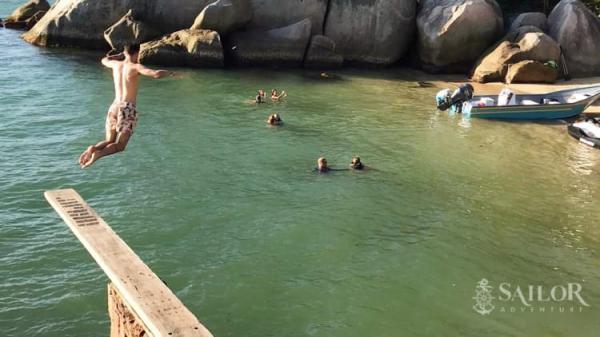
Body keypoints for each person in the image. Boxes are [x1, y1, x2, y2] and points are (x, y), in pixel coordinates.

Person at [78, 44, 176, 168]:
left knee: (109, 140)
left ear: (124, 53)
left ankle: (93, 148)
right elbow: (155, 74)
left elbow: (104, 59)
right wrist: (171, 73)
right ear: (137, 53)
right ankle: (98, 154)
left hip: (114, 107)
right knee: (120, 146)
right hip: (127, 108)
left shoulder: (115, 64)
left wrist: (117, 56)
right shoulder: (135, 67)